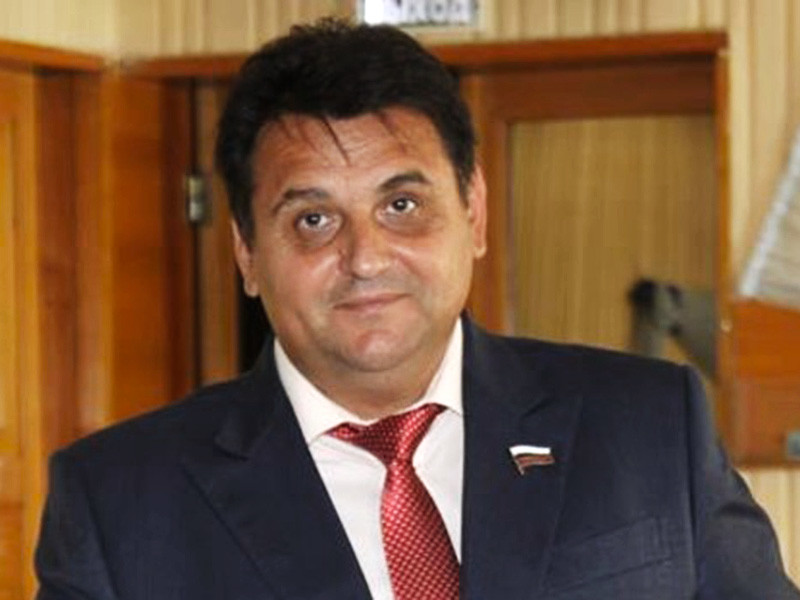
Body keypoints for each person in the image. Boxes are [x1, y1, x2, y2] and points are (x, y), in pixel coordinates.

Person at [36, 18, 799, 600]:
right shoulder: (119, 503)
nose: (366, 258)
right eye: (313, 219)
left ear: (474, 212)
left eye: (401, 205)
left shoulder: (648, 426)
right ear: (246, 252)